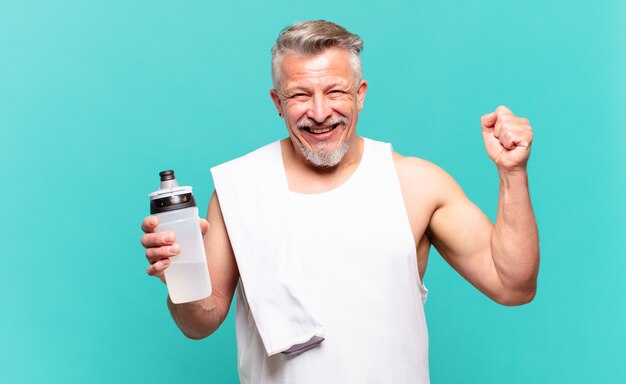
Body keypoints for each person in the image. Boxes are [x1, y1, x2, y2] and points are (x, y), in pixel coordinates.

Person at [140, 20, 539, 383]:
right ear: (277, 102)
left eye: (335, 92)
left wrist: (512, 173)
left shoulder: (416, 183)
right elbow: (200, 323)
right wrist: (179, 272)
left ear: (360, 94)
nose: (319, 112)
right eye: (300, 95)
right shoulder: (238, 188)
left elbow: (512, 285)